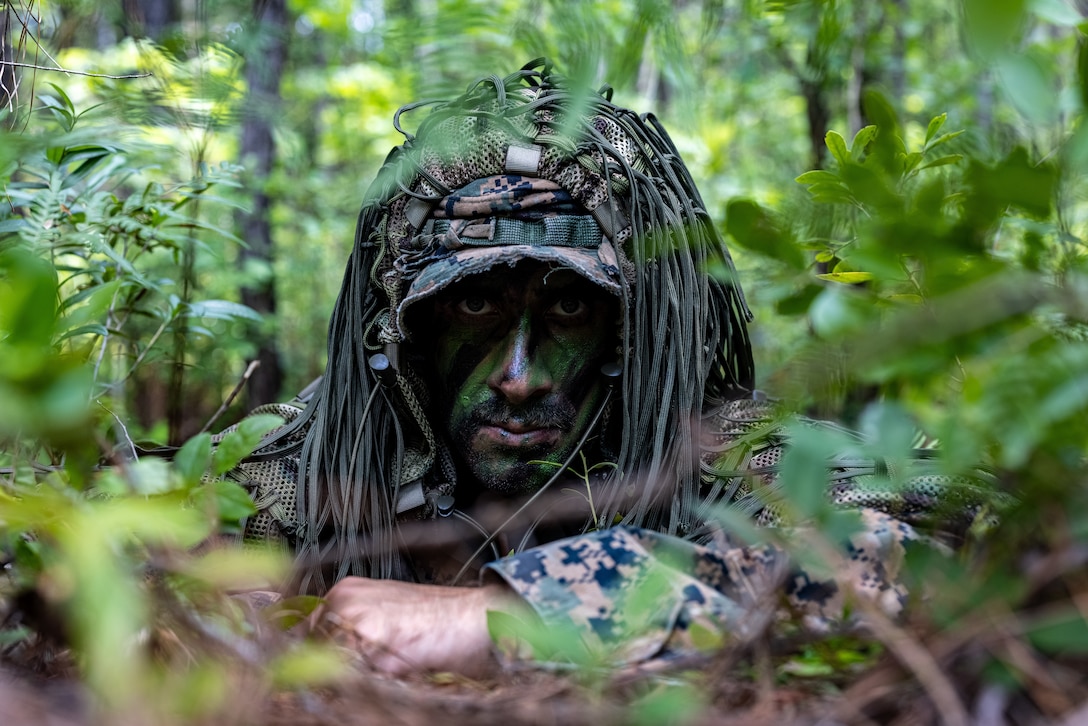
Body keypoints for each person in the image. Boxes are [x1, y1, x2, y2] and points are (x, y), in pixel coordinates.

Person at [231, 61, 985, 676]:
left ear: (630, 330)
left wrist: (511, 613)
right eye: (473, 307)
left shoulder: (726, 450)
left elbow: (935, 561)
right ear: (409, 328)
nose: (519, 378)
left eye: (569, 310)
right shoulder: (307, 460)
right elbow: (144, 578)